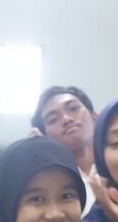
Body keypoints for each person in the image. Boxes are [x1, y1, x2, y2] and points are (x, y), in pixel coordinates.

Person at [31, 85, 99, 214]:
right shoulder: (46, 187)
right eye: (53, 119)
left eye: (73, 108)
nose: (67, 119)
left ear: (94, 117)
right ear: (45, 136)